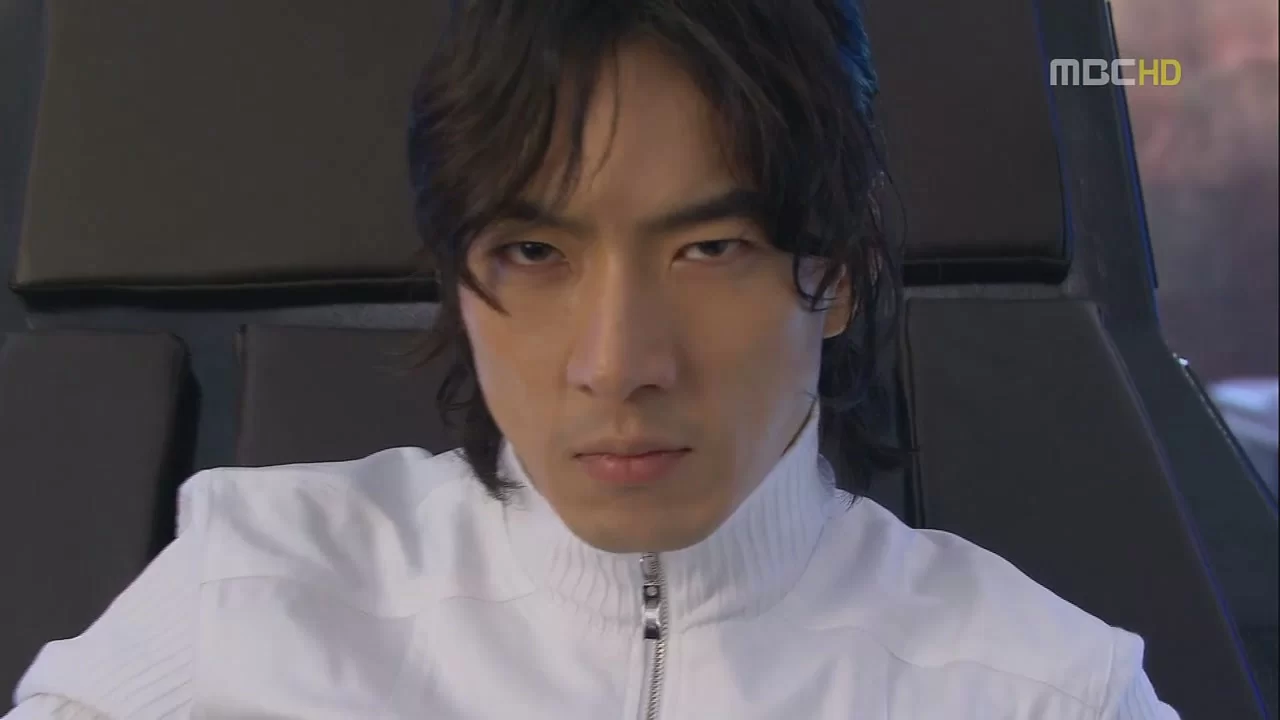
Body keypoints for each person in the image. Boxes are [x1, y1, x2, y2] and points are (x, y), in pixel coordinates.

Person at [8, 1, 1180, 718]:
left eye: (709, 248)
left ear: (835, 277)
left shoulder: (1039, 689)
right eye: (532, 252)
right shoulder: (253, 593)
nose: (616, 364)